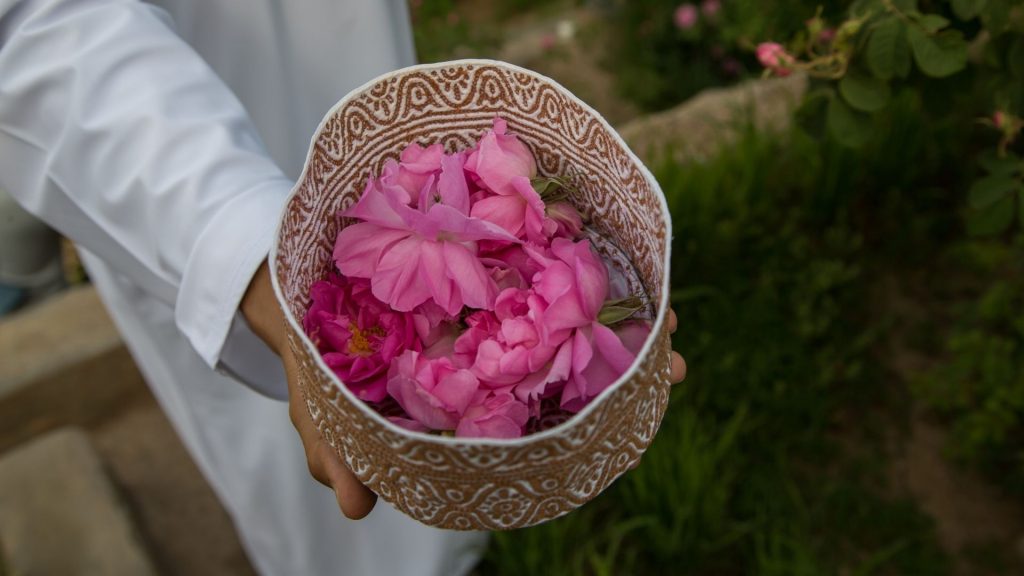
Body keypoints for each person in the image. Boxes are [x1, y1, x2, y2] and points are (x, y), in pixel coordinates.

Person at [0, 1, 688, 574]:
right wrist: (241, 248)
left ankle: (458, 545)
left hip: (369, 134)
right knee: (312, 473)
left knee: (420, 453)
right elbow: (35, 28)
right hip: (173, 166)